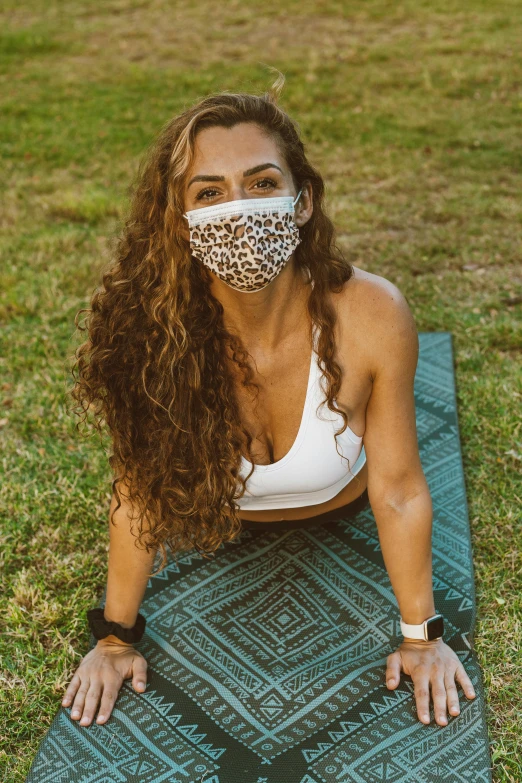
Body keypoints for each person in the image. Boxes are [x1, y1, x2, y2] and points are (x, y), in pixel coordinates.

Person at [61, 73, 476, 733]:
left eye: (261, 184)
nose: (239, 209)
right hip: (222, 520)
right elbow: (137, 495)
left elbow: (397, 489)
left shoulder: (372, 312)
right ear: (182, 220)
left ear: (303, 200)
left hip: (341, 504)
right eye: (209, 192)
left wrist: (421, 637)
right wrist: (114, 638)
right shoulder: (146, 331)